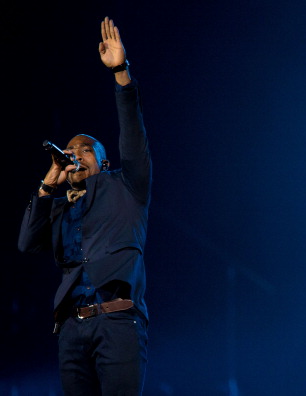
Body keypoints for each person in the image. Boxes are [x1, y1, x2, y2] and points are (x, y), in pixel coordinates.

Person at [18, 17, 151, 395]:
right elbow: (27, 243)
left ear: (104, 163)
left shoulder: (128, 188)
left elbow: (133, 136)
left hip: (118, 323)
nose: (75, 154)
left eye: (86, 149)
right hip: (71, 330)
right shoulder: (59, 209)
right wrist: (47, 186)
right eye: (71, 150)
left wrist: (121, 73)